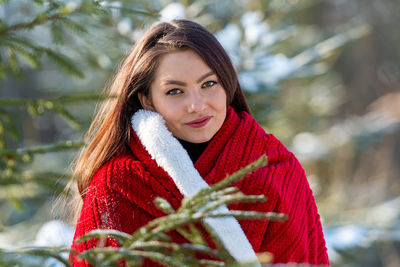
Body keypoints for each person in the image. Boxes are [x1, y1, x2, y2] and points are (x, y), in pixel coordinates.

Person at [68, 19, 330, 266]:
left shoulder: (277, 169)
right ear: (147, 99)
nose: (196, 105)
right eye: (174, 91)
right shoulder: (117, 185)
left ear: (226, 84)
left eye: (208, 84)